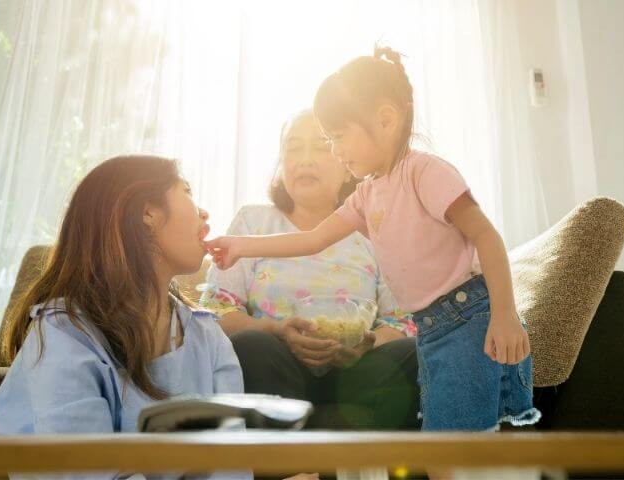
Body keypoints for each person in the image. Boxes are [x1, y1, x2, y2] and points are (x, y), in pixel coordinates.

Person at [205, 48, 541, 435]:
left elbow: (485, 235)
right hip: (432, 328)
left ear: (385, 119)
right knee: (443, 447)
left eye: (335, 138)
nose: (332, 150)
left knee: (470, 444)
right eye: (320, 141)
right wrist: (241, 245)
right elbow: (313, 240)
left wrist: (505, 314)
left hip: (467, 317)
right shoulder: (368, 196)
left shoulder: (424, 173)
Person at [0, 155, 316, 480]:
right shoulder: (64, 333)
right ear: (147, 213)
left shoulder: (209, 339)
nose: (204, 212)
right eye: (186, 190)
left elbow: (229, 471)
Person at [201, 110, 419, 430]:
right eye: (293, 148)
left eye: (321, 147)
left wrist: (364, 343)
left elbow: (400, 320)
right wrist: (278, 332)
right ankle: (290, 471)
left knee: (412, 354)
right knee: (252, 346)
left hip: (355, 373)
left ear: (348, 168)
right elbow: (219, 312)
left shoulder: (373, 231)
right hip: (276, 364)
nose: (305, 160)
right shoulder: (253, 221)